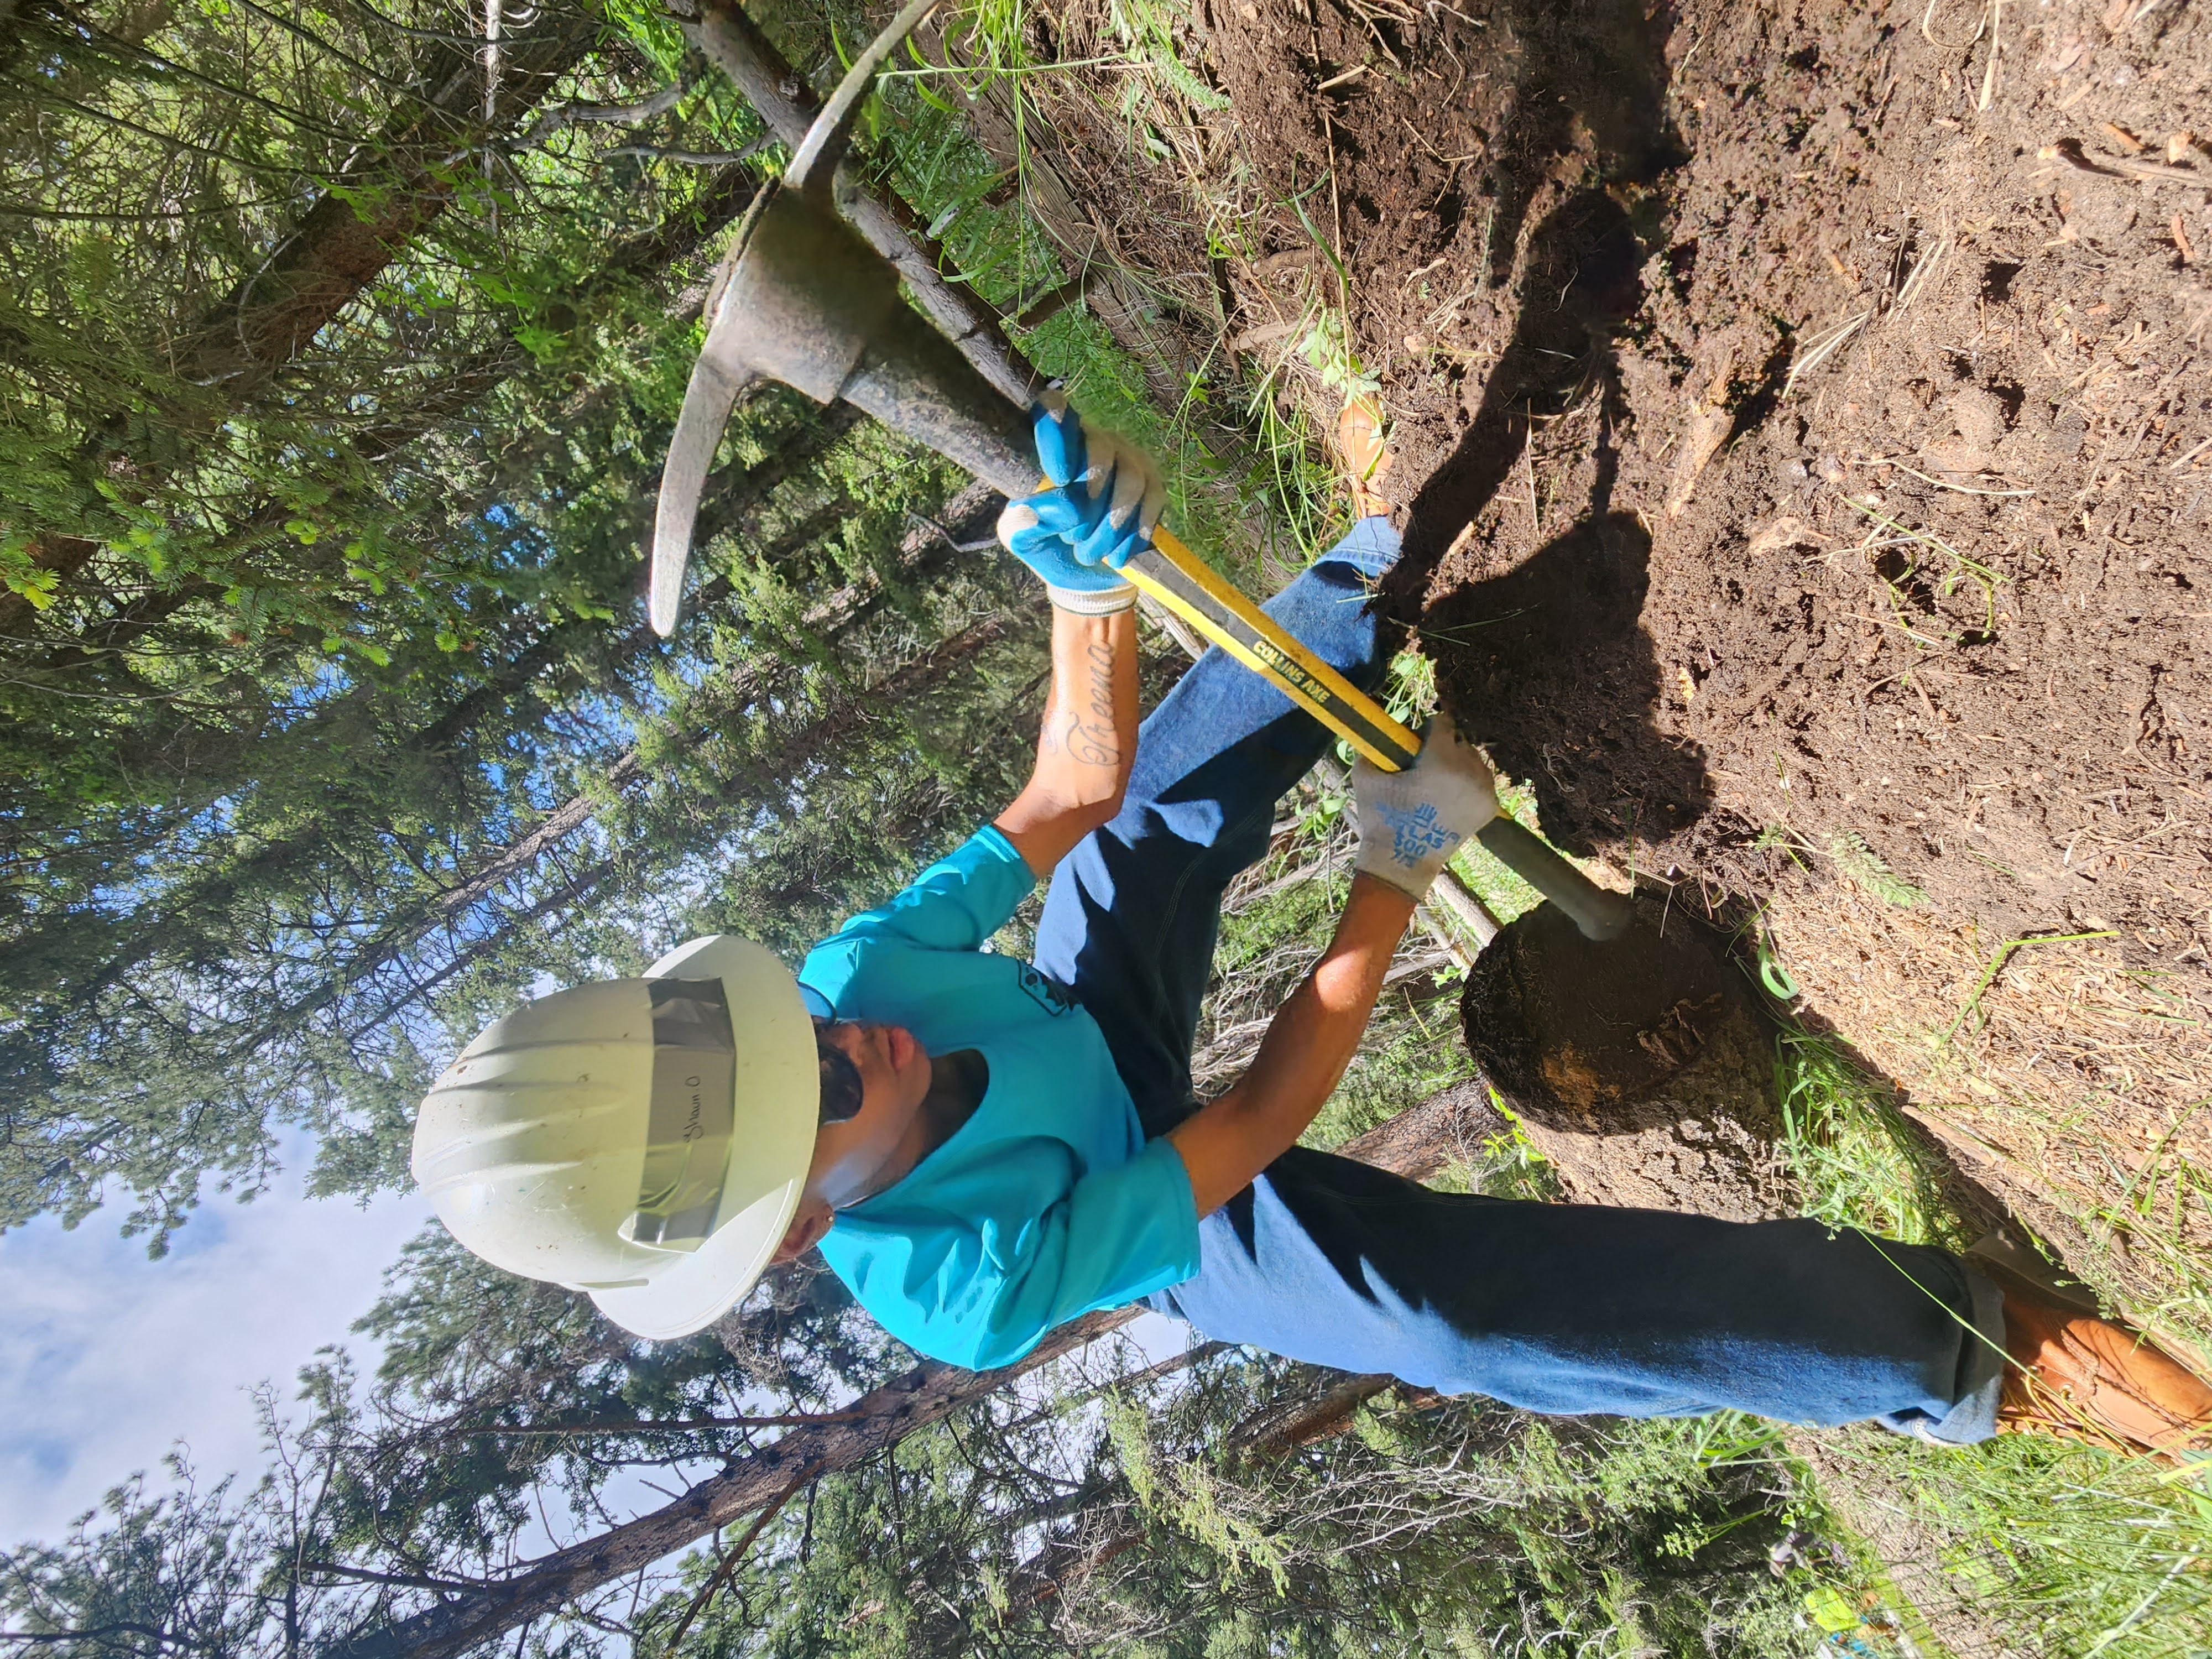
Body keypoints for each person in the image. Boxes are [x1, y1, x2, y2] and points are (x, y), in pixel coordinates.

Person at [413, 394, 2211, 1459]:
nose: (839, 1038)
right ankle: (1954, 1351)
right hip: (1149, 1202)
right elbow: (1253, 1125)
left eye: (773, 1027)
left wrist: (1086, 584)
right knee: (1433, 1318)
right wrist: (1397, 858)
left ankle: (1358, 575)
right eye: (818, 1090)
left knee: (1162, 828)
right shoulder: (968, 1289)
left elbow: (1068, 797)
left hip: (1076, 1035)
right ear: (796, 1216)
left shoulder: (863, 979)